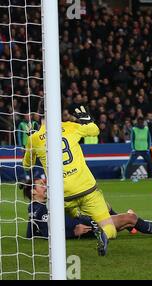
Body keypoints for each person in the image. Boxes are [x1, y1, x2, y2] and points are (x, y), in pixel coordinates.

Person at [23, 103, 115, 256]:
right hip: (87, 188)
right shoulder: (70, 126)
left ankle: (76, 220)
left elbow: (27, 164)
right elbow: (95, 130)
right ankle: (103, 233)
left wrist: (31, 139)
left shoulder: (35, 139)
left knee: (64, 217)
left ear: (38, 116)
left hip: (62, 194)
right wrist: (86, 119)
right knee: (109, 227)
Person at [22, 178, 152, 239]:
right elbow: (45, 231)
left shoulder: (36, 208)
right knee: (130, 218)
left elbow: (31, 233)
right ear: (32, 192)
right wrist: (72, 232)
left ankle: (131, 226)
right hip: (87, 226)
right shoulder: (40, 209)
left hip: (84, 221)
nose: (45, 187)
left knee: (106, 206)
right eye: (40, 186)